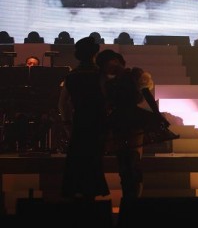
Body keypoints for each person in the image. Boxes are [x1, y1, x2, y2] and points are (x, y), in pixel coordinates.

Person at [95, 49, 178, 209]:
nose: (107, 67)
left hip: (130, 119)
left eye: (107, 63)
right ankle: (130, 200)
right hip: (121, 120)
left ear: (116, 60)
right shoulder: (110, 82)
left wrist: (158, 115)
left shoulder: (133, 75)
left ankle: (132, 201)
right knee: (124, 164)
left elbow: (147, 95)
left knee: (132, 161)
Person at [58, 36, 110, 200]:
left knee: (76, 161)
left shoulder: (72, 76)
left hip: (79, 122)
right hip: (98, 122)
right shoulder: (100, 75)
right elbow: (108, 99)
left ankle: (76, 199)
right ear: (94, 54)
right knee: (93, 161)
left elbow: (62, 103)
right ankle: (90, 199)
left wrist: (67, 124)